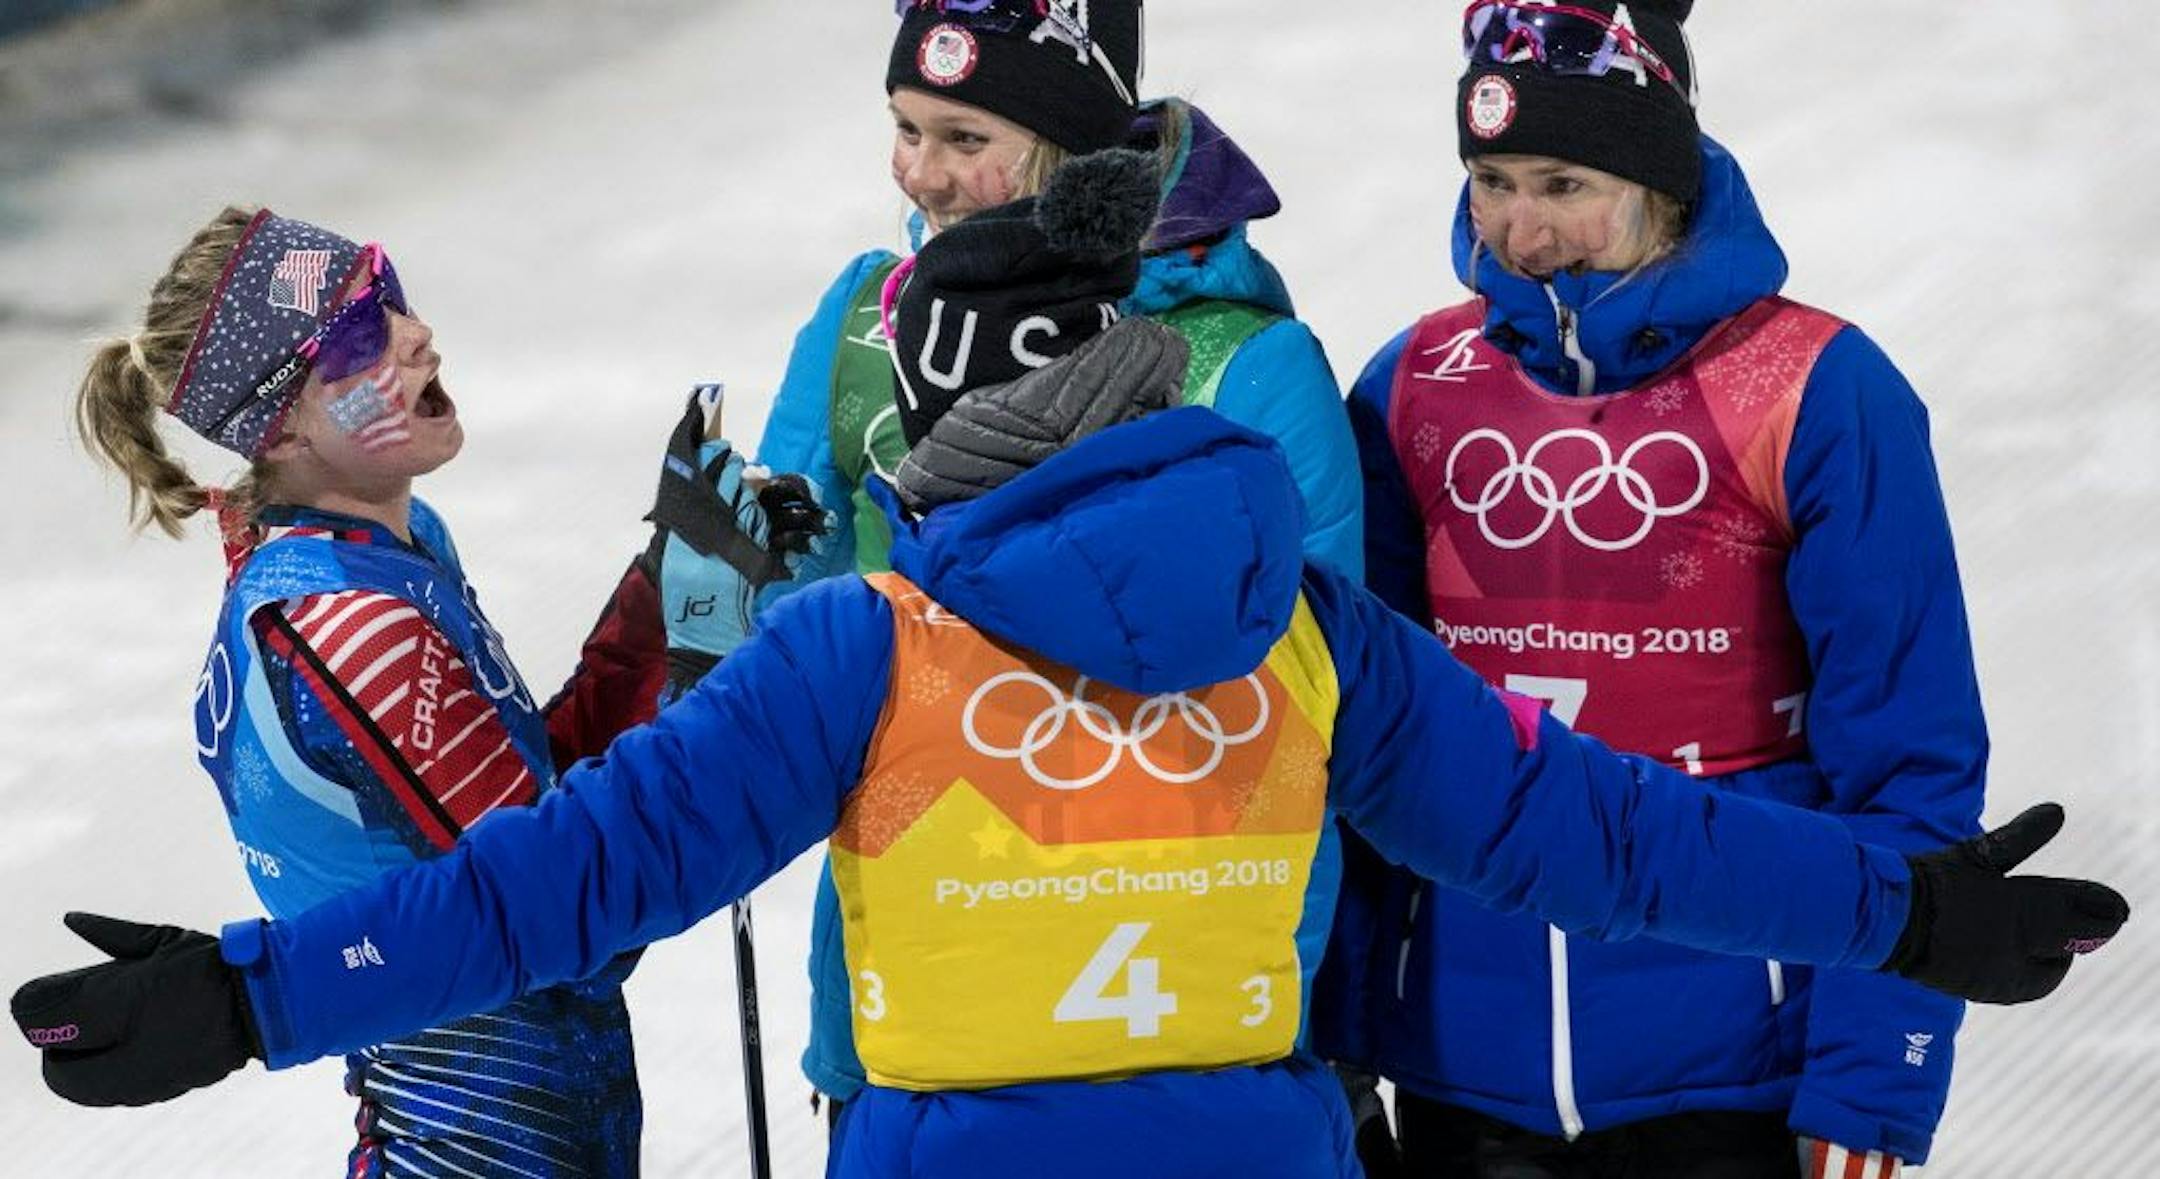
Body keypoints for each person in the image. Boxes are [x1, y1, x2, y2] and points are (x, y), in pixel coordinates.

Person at [11, 162, 2128, 1179]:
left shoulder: (857, 647)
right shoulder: (1312, 636)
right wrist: (1904, 908)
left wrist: (254, 996)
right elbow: (1616, 841)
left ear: (936, 417)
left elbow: (546, 887)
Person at [1328, 3, 1997, 1176]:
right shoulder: (1413, 385)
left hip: (1739, 1061)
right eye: (1490, 179)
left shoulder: (1816, 390)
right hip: (1456, 1065)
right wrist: (1334, 1040)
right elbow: (1353, 749)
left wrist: (1869, 1079)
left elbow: (1909, 758)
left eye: (1564, 182)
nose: (1520, 232)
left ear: (1662, 178)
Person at [52, 206, 807, 1176]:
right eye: (361, 338)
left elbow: (538, 804)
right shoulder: (351, 630)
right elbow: (573, 918)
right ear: (279, 426)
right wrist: (709, 665)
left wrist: (666, 595)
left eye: (391, 296)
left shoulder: (386, 555)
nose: (417, 335)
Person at [749, 0, 1366, 1120]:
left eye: (966, 140)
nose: (922, 177)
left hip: (1175, 982)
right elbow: (793, 628)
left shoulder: (1245, 360)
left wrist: (1285, 1001)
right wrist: (740, 560)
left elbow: (1320, 726)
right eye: (907, 127)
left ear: (1084, 159)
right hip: (921, 982)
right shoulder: (860, 321)